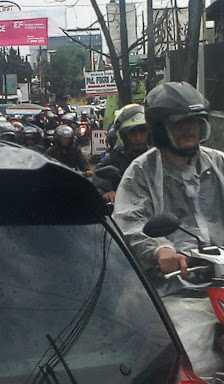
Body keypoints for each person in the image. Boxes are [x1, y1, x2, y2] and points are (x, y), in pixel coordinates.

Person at [113, 82, 224, 377]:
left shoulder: (219, 163)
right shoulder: (140, 172)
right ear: (161, 130)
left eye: (196, 123)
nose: (190, 130)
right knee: (195, 361)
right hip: (179, 291)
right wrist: (160, 250)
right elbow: (129, 222)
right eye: (181, 125)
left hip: (222, 280)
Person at [93, 104, 150, 203]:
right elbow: (98, 173)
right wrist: (107, 191)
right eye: (133, 133)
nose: (138, 138)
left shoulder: (160, 154)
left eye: (143, 131)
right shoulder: (117, 155)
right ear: (124, 136)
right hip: (127, 208)